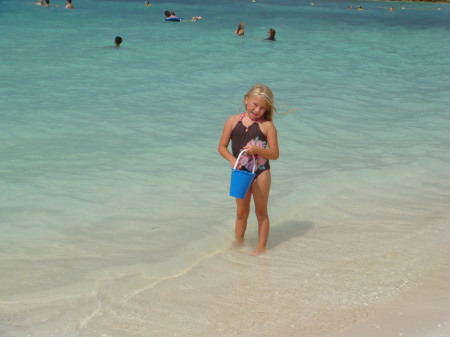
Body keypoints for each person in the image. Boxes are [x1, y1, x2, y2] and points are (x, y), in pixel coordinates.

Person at [218, 83, 279, 255]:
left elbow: (275, 154)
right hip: (240, 172)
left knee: (261, 212)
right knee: (241, 212)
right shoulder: (232, 121)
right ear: (246, 100)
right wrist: (231, 160)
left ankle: (261, 248)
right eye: (254, 104)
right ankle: (238, 243)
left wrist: (258, 150)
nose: (257, 109)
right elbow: (221, 146)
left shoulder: (267, 126)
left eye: (262, 107)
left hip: (261, 171)